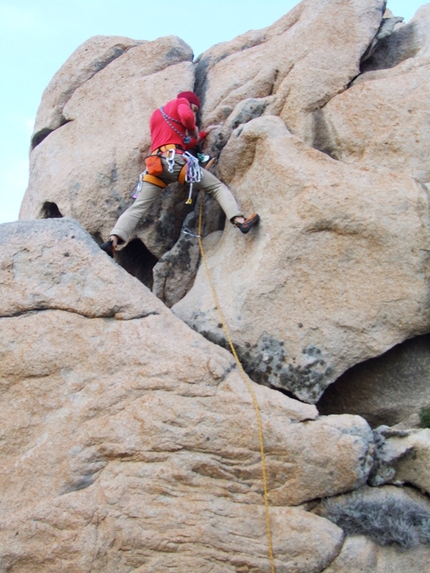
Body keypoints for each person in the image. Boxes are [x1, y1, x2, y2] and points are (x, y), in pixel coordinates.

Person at [100, 91, 259, 256]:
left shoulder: (156, 115)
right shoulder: (181, 102)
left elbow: (181, 141)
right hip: (174, 161)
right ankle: (239, 220)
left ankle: (113, 240)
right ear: (188, 102)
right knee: (217, 187)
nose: (195, 113)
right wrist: (194, 130)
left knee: (138, 207)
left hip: (156, 166)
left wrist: (202, 135)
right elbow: (187, 117)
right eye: (195, 108)